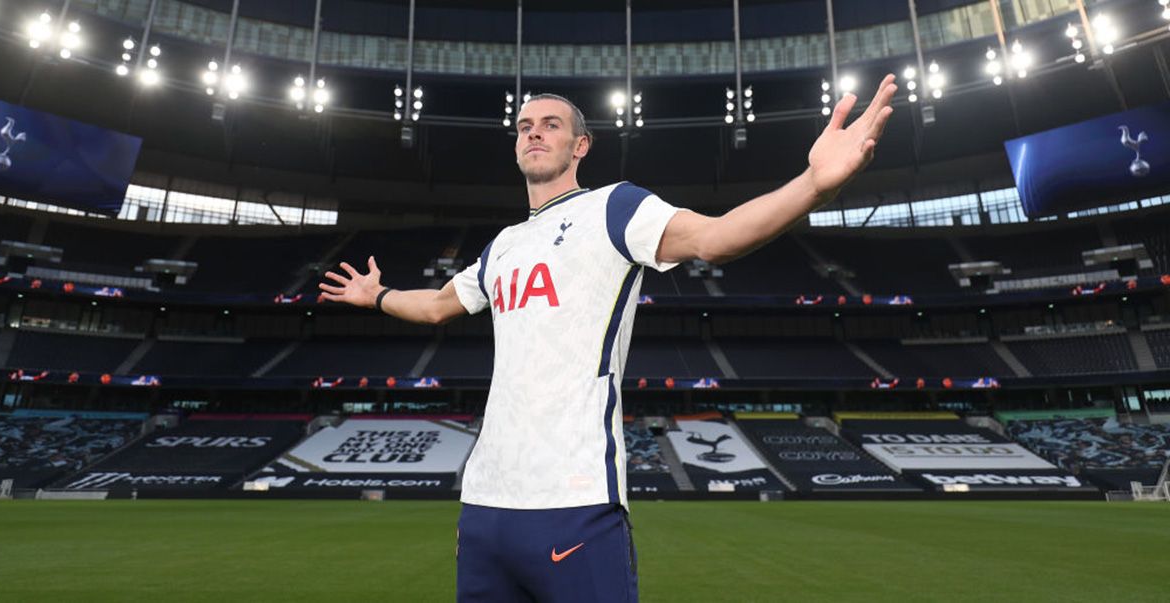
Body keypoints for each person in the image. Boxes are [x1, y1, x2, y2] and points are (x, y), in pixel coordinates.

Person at [319, 75, 896, 602]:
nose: (534, 134)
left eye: (550, 124)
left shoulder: (615, 208)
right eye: (524, 126)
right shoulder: (503, 245)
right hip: (486, 505)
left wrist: (814, 185)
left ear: (580, 146)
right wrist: (378, 297)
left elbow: (716, 238)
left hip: (574, 502)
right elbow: (442, 304)